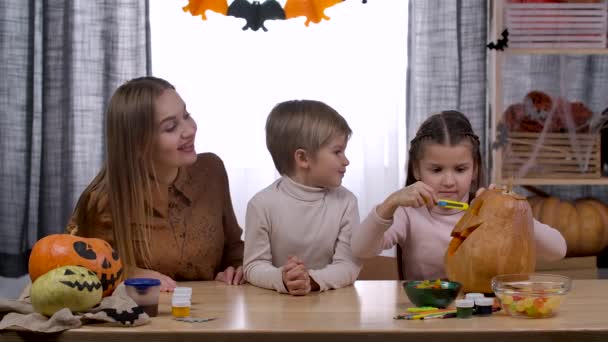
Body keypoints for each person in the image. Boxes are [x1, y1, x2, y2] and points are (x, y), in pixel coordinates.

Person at [67, 76, 244, 292]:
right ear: (139, 144)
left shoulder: (211, 172)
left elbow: (234, 250)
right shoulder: (101, 202)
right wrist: (127, 273)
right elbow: (74, 267)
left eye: (186, 115)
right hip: (142, 319)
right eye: (170, 127)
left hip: (208, 317)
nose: (189, 130)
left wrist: (237, 268)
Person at [350, 110, 566, 280]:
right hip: (428, 316)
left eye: (460, 169)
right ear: (417, 170)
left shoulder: (491, 211)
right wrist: (389, 205)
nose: (449, 181)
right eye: (436, 170)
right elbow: (360, 249)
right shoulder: (409, 213)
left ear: (475, 170)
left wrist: (513, 211)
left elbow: (558, 251)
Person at [243, 100, 361, 295]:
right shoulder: (261, 205)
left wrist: (312, 281)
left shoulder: (347, 202)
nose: (346, 160)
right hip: (274, 311)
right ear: (303, 158)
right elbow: (253, 266)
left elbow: (348, 265)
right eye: (337, 151)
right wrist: (282, 278)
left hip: (331, 309)